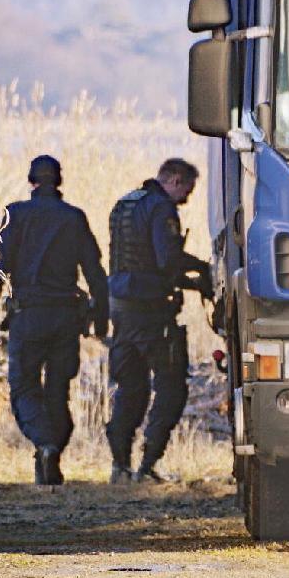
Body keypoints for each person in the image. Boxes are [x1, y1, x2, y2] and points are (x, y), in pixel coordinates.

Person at [0, 155, 109, 485]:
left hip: (27, 317)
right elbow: (95, 274)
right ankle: (52, 453)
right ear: (59, 181)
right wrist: (101, 322)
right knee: (59, 392)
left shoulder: (14, 215)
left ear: (31, 181)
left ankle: (44, 445)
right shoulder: (73, 218)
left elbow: (0, 268)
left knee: (25, 388)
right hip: (65, 319)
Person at [105, 158, 212, 483]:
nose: (186, 200)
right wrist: (201, 273)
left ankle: (120, 466)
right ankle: (149, 464)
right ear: (175, 180)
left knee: (130, 388)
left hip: (121, 309)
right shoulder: (161, 208)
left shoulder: (125, 204)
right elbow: (167, 261)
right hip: (153, 313)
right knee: (171, 386)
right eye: (187, 191)